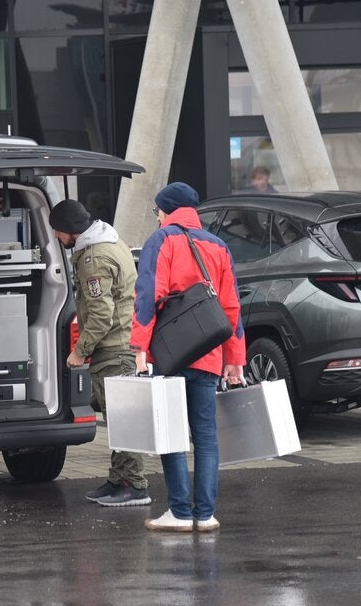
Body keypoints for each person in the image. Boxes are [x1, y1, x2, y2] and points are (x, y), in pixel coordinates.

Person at [132, 182, 245, 532]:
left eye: (157, 212)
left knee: (172, 433)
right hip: (209, 354)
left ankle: (180, 512)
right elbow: (231, 307)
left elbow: (149, 295)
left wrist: (139, 348)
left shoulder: (161, 240)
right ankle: (205, 514)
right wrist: (234, 358)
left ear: (164, 211)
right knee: (206, 436)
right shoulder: (218, 245)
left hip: (171, 353)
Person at [48, 199, 151, 508]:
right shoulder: (111, 240)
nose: (55, 238)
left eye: (57, 231)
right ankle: (119, 479)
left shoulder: (93, 257)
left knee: (121, 418)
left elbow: (101, 314)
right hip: (121, 344)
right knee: (119, 415)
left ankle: (134, 485)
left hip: (113, 349)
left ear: (68, 230)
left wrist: (80, 351)